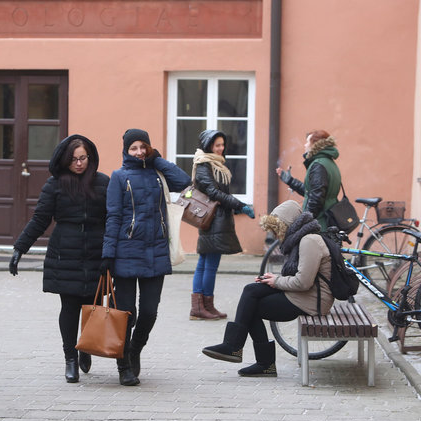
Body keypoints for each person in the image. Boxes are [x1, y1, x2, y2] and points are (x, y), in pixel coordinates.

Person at [8, 135, 109, 384]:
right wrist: (20, 248)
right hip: (66, 251)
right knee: (70, 306)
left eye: (82, 158)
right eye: (73, 159)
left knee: (92, 305)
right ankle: (70, 358)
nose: (78, 164)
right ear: (64, 161)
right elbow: (40, 219)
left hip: (97, 251)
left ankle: (86, 346)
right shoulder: (55, 185)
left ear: (90, 157)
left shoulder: (103, 182)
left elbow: (113, 218)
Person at [201, 200, 333, 377]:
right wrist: (271, 280)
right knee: (251, 290)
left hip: (311, 301)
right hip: (305, 294)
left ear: (289, 223)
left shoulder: (309, 241)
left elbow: (303, 282)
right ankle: (237, 348)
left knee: (252, 306)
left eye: (279, 227)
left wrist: (277, 281)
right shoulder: (301, 239)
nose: (277, 233)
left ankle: (251, 356)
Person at [102, 128, 191, 386]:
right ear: (126, 151)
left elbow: (184, 181)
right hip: (126, 252)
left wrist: (157, 159)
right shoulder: (118, 177)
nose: (139, 152)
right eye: (134, 148)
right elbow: (113, 216)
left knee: (150, 312)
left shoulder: (157, 173)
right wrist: (108, 253)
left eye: (143, 147)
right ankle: (123, 365)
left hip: (156, 251)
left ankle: (135, 349)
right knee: (125, 313)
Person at [190, 129, 255, 320]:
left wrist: (234, 207)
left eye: (222, 145)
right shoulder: (204, 165)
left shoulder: (215, 165)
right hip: (212, 221)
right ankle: (201, 307)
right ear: (208, 145)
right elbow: (214, 193)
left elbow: (219, 193)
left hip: (218, 219)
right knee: (209, 264)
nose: (221, 148)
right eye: (217, 145)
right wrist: (240, 205)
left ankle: (204, 307)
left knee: (206, 263)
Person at [276, 130, 341, 231]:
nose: (305, 145)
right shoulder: (328, 162)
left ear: (315, 144)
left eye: (307, 142)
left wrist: (303, 222)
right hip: (327, 221)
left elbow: (316, 199)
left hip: (320, 224)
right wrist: (291, 181)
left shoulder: (318, 165)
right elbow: (312, 192)